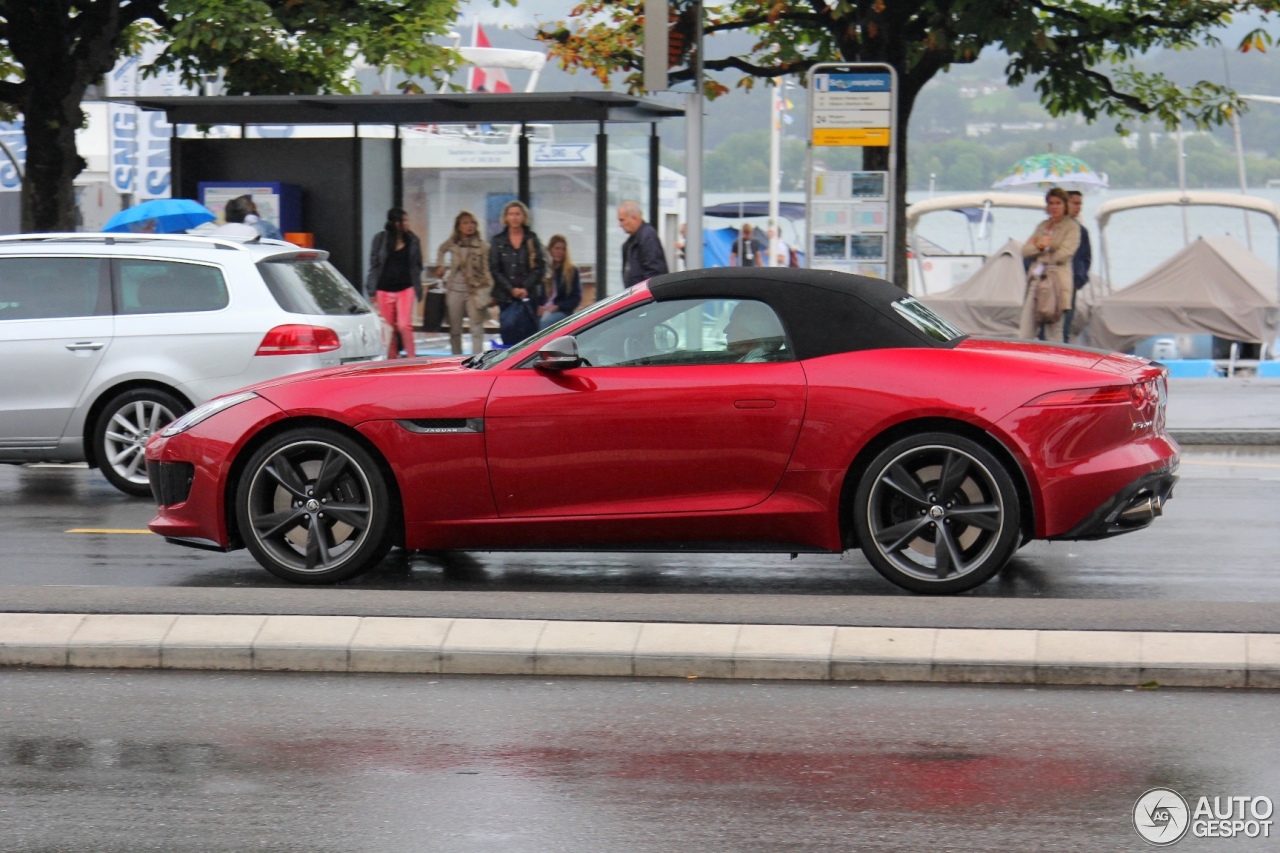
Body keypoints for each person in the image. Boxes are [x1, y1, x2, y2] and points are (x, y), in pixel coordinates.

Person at [1019, 187, 1080, 343]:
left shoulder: (1071, 227)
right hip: (1037, 279)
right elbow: (1026, 250)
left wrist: (1045, 248)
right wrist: (1040, 247)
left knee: (1054, 331)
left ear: (1065, 205)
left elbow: (1065, 253)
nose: (1054, 207)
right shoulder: (1043, 226)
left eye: (1058, 203)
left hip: (1057, 282)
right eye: (1051, 203)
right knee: (1026, 327)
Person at [366, 207, 423, 359]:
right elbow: (374, 265)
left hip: (405, 288)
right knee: (388, 328)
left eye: (407, 220)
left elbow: (417, 265)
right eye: (403, 220)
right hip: (384, 288)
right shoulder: (380, 239)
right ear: (394, 222)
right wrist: (371, 289)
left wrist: (418, 288)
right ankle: (392, 360)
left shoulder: (412, 240)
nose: (406, 223)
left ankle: (412, 358)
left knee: (404, 325)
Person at [435, 210, 493, 356]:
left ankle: (477, 359)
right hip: (454, 288)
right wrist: (440, 265)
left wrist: (490, 291)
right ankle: (457, 359)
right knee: (455, 329)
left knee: (476, 328)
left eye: (472, 222)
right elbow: (441, 249)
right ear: (458, 226)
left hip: (475, 290)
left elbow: (487, 270)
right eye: (465, 223)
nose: (469, 226)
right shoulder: (453, 243)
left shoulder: (482, 246)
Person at [489, 200, 545, 345]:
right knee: (509, 335)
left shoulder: (531, 239)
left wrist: (525, 287)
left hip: (529, 297)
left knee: (530, 338)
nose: (514, 218)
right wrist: (511, 289)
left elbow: (540, 267)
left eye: (517, 214)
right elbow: (495, 269)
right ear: (506, 217)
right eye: (511, 214)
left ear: (523, 217)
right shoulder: (498, 240)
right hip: (506, 298)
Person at [618, 200, 669, 287]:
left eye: (622, 220)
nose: (620, 225)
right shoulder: (631, 242)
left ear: (634, 217)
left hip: (645, 297)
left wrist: (643, 296)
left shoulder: (647, 236)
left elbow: (655, 272)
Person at [538, 234, 583, 329]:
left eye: (563, 249)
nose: (560, 252)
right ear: (550, 249)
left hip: (561, 311)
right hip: (543, 309)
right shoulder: (543, 270)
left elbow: (576, 298)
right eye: (557, 248)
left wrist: (558, 306)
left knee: (545, 323)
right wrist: (538, 306)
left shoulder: (571, 271)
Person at [1065, 190, 1092, 343]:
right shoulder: (1051, 229)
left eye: (1080, 204)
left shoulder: (1081, 231)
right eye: (1075, 203)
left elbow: (1086, 257)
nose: (1078, 207)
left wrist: (1079, 278)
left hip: (1071, 284)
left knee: (1066, 323)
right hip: (1050, 284)